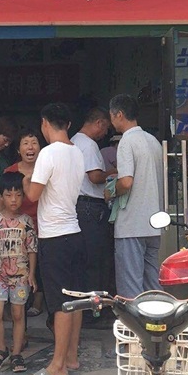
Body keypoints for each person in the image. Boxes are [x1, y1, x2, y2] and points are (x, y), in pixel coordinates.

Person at [22, 102, 85, 375]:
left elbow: (33, 195)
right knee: (76, 299)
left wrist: (26, 180)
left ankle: (57, 366)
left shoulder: (48, 153)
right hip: (75, 232)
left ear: (45, 123)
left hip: (54, 236)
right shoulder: (78, 152)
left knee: (60, 303)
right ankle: (71, 357)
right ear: (68, 125)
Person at [108, 94, 164, 298]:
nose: (111, 121)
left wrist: (110, 191)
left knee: (130, 288)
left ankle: (134, 319)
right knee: (152, 284)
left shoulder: (126, 142)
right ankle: (157, 317)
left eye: (111, 116)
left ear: (119, 114)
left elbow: (126, 182)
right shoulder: (153, 141)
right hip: (153, 223)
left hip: (131, 224)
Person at [0, 172, 38, 374]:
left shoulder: (27, 221)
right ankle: (1, 349)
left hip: (21, 277)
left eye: (18, 195)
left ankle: (16, 353)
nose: (13, 199)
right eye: (8, 195)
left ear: (23, 196)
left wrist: (32, 274)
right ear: (1, 197)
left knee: (18, 314)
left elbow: (32, 249)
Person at [71, 108, 112, 318]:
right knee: (95, 261)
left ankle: (85, 311)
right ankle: (93, 312)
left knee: (83, 260)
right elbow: (95, 177)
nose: (105, 134)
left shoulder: (73, 141)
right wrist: (114, 172)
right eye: (105, 128)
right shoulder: (88, 145)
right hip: (90, 207)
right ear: (99, 123)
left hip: (78, 206)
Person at [5, 128, 44, 315]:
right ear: (18, 149)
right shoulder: (10, 172)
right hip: (17, 228)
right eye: (26, 143)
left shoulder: (46, 169)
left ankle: (38, 301)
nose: (30, 147)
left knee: (40, 264)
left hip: (42, 225)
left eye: (34, 143)